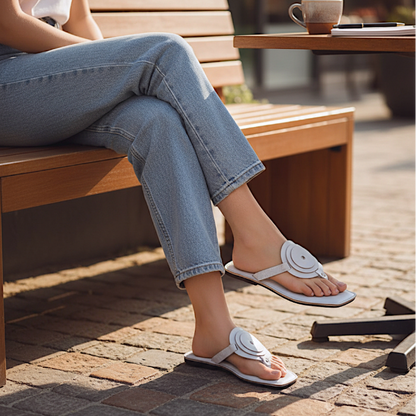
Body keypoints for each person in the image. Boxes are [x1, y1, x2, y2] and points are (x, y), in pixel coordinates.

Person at [0, 0, 355, 387]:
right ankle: (256, 236)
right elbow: (9, 23)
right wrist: (98, 63)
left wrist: (102, 71)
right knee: (165, 51)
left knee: (159, 121)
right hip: (10, 81)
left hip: (60, 81)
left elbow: (81, 19)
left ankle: (213, 330)